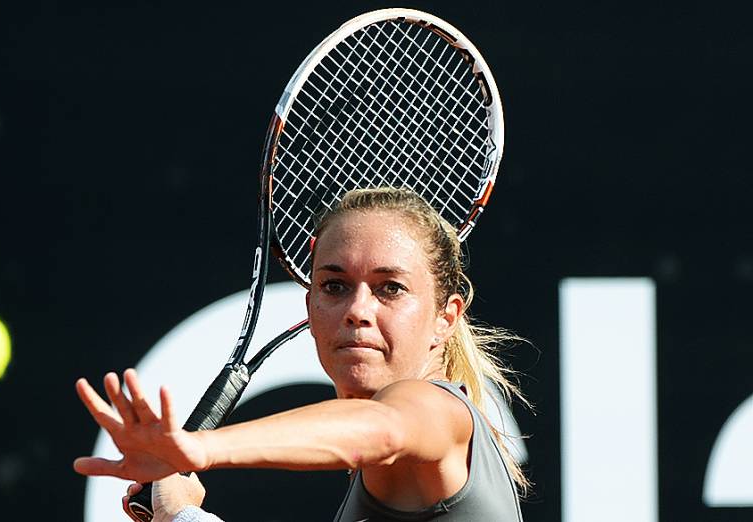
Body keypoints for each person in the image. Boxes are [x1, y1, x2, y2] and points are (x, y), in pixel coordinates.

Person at [75, 187, 528, 521]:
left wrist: (201, 447)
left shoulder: (437, 408)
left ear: (445, 318)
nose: (357, 310)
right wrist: (182, 514)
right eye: (335, 286)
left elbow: (386, 428)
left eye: (390, 288)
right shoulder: (377, 477)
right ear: (310, 306)